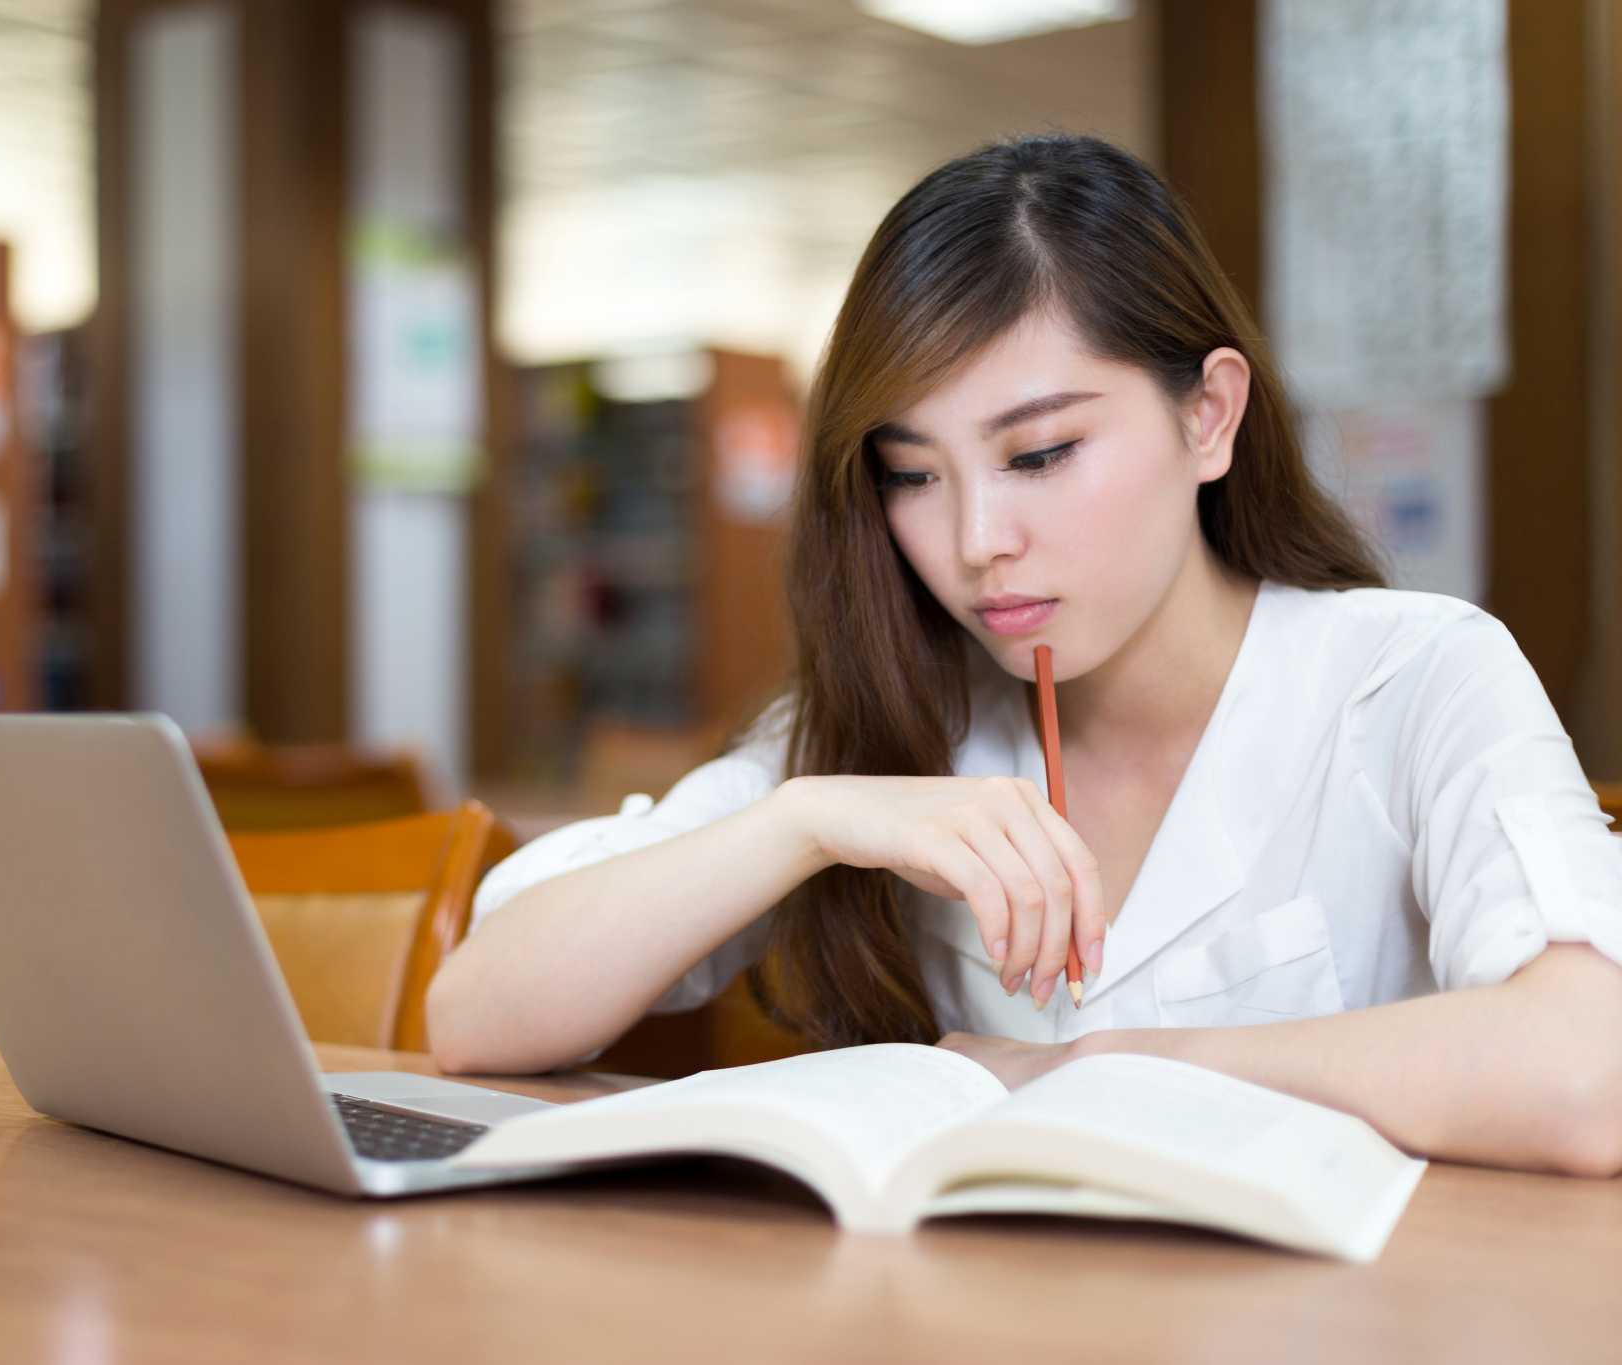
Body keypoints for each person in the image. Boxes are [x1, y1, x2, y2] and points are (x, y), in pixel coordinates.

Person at [428, 134, 1622, 1176]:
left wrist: (1090, 1068)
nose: (974, 544)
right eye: (911, 474)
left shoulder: (1411, 677)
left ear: (1206, 415)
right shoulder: (892, 713)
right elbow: (478, 1016)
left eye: (1039, 453)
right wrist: (795, 820)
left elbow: (1586, 1072)